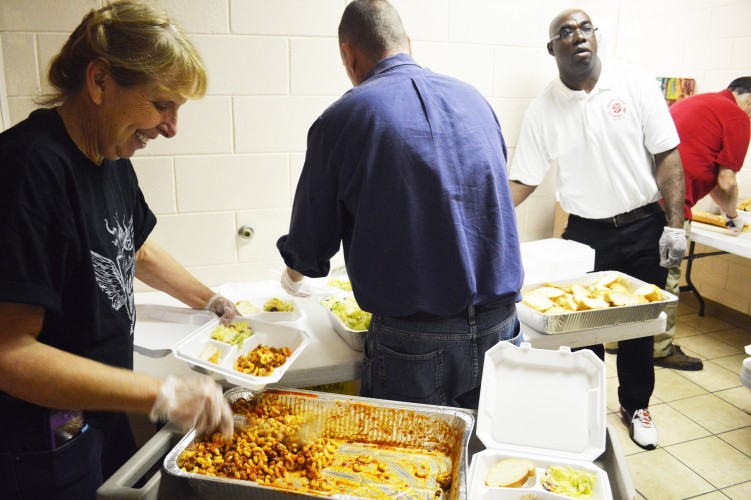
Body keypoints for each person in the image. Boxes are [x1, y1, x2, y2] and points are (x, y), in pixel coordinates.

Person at [0, 2, 238, 498]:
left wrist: (210, 299)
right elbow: (9, 353)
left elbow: (136, 249)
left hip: (98, 415)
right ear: (100, 81)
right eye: (162, 105)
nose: (171, 128)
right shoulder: (29, 169)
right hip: (43, 439)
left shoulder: (111, 160)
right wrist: (162, 391)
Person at [276, 0, 524, 410]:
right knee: (491, 458)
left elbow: (310, 247)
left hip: (416, 342)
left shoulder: (342, 119)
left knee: (408, 468)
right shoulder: (475, 99)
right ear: (408, 43)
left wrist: (291, 279)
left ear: (348, 54)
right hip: (502, 325)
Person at [508, 8, 687, 450]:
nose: (578, 36)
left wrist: (676, 227)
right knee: (578, 328)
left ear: (596, 36)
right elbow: (523, 181)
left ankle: (636, 404)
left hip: (645, 223)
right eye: (565, 32)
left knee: (639, 324)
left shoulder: (635, 83)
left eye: (585, 27)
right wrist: (478, 217)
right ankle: (584, 405)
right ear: (553, 49)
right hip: (586, 234)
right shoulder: (544, 109)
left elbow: (668, 156)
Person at [654, 77, 751, 371]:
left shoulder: (700, 102)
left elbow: (708, 175)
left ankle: (622, 341)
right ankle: (659, 350)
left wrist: (729, 215)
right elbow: (726, 180)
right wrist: (734, 216)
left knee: (641, 275)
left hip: (644, 201)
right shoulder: (737, 117)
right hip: (670, 207)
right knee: (666, 280)